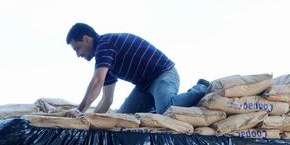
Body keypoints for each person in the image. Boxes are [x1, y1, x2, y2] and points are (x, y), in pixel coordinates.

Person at [64, 23, 208, 116]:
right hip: (144, 85)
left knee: (166, 108)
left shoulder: (105, 44)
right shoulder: (105, 61)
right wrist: (90, 121)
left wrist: (79, 110)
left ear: (87, 39)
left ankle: (201, 87)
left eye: (77, 48)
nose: (78, 55)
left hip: (163, 74)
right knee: (123, 117)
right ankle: (154, 109)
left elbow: (97, 82)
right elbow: (107, 100)